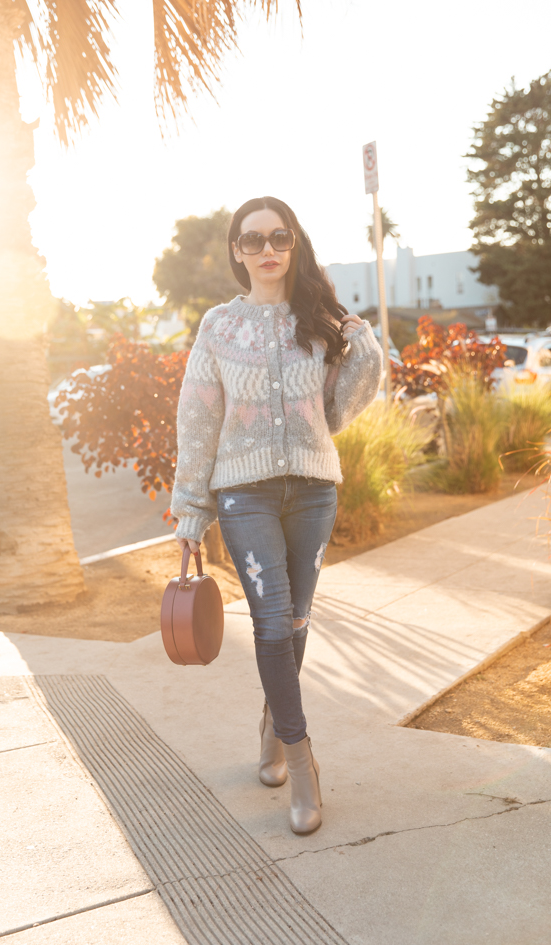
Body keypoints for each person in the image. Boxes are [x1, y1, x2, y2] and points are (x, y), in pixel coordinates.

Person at [171, 196, 382, 834]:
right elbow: (199, 416)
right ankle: (302, 758)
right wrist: (191, 505)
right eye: (253, 239)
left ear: (293, 246)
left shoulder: (317, 319)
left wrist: (363, 345)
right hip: (245, 496)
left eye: (279, 237)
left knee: (294, 623)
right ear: (237, 251)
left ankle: (272, 725)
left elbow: (338, 410)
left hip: (314, 491)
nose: (268, 249)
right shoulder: (219, 327)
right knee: (269, 624)